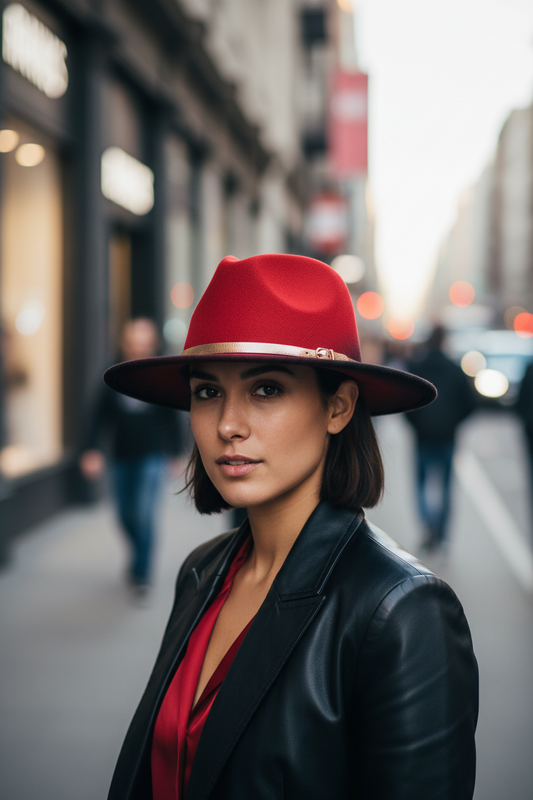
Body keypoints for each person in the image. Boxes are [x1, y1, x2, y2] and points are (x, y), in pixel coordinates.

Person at [104, 255, 478, 800]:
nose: (228, 425)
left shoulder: (402, 612)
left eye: (267, 389)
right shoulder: (202, 571)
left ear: (339, 407)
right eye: (208, 391)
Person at [80, 318, 184, 595]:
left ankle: (142, 573)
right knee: (125, 515)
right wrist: (91, 450)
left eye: (144, 344)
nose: (138, 350)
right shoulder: (112, 375)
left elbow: (173, 415)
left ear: (152, 345)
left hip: (152, 456)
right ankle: (138, 555)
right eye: (133, 344)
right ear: (124, 344)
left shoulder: (158, 375)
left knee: (145, 514)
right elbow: (97, 417)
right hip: (120, 456)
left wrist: (175, 453)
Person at [406, 325, 476, 552]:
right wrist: (453, 422)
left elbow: (408, 403)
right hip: (447, 436)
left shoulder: (417, 367)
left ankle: (429, 525)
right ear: (445, 340)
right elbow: (470, 404)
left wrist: (417, 425)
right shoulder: (455, 369)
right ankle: (442, 533)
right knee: (445, 486)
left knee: (421, 483)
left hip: (423, 436)